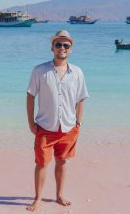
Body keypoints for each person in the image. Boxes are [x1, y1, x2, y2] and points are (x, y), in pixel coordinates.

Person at [26, 30, 89, 211]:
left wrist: (78, 123)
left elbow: (81, 99)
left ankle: (59, 195)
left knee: (62, 162)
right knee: (41, 163)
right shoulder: (40, 70)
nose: (62, 48)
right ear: (52, 47)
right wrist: (31, 123)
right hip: (45, 126)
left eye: (66, 45)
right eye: (58, 44)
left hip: (69, 128)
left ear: (71, 49)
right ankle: (38, 198)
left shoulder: (77, 72)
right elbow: (30, 96)